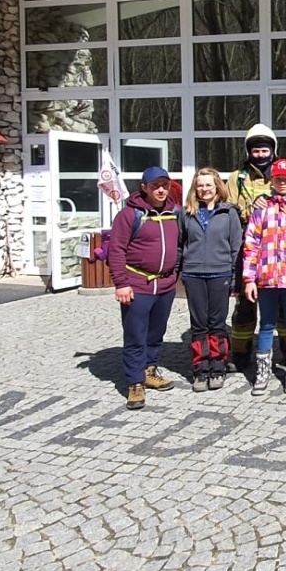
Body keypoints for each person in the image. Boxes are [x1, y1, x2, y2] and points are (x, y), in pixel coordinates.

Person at [108, 165, 184, 411]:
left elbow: (181, 244)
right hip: (137, 284)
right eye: (155, 186)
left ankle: (150, 370)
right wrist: (121, 283)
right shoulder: (129, 215)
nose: (161, 190)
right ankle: (135, 382)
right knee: (135, 335)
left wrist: (176, 270)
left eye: (164, 186)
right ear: (144, 188)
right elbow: (116, 250)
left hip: (165, 284)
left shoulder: (175, 212)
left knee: (156, 333)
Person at [240, 158, 286, 396]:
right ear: (271, 179)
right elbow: (250, 244)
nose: (282, 182)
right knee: (266, 325)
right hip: (266, 278)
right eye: (278, 178)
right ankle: (262, 373)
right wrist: (249, 278)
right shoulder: (262, 208)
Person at [180, 167, 244, 391]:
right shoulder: (186, 213)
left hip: (221, 274)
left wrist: (237, 281)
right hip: (193, 274)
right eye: (200, 185)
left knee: (216, 324)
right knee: (198, 325)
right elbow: (181, 245)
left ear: (217, 186)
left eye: (208, 184)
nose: (204, 189)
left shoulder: (229, 213)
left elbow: (237, 249)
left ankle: (218, 367)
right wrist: (179, 272)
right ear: (194, 188)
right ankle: (200, 369)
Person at [229, 123, 278, 371]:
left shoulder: (283, 175)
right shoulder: (237, 178)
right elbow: (228, 212)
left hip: (277, 252)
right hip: (246, 250)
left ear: (273, 150)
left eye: (264, 150)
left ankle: (284, 352)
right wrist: (250, 210)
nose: (260, 155)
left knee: (280, 304)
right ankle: (240, 355)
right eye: (255, 151)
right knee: (245, 307)